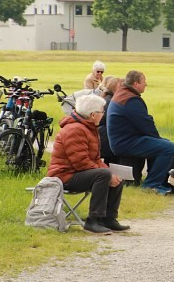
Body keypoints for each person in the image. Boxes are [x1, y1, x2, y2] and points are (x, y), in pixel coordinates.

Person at [47, 93, 129, 234]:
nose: (103, 115)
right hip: (64, 176)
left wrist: (112, 175)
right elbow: (81, 163)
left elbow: (95, 159)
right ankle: (93, 220)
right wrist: (107, 174)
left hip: (76, 172)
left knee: (113, 175)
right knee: (103, 175)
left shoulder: (88, 128)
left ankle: (109, 219)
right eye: (102, 112)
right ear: (92, 114)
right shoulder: (75, 130)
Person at [106, 70, 174, 194]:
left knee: (162, 144)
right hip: (126, 143)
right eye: (144, 81)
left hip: (122, 140)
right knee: (168, 147)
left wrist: (158, 141)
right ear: (136, 83)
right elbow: (146, 124)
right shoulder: (131, 100)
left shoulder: (122, 94)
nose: (146, 84)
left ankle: (154, 180)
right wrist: (159, 140)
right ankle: (151, 185)